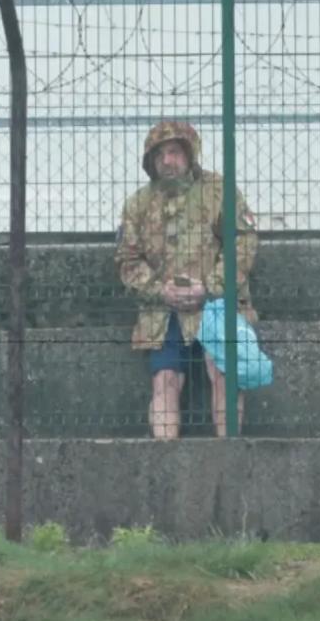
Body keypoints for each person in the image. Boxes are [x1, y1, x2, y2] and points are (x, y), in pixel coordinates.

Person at [115, 121, 259, 440]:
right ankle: (166, 460)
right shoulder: (138, 204)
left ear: (189, 154)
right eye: (160, 155)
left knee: (223, 371)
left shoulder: (219, 191)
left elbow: (243, 243)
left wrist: (210, 287)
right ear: (150, 161)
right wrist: (159, 290)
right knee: (165, 379)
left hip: (217, 305)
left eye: (175, 152)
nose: (167, 161)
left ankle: (229, 453)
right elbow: (127, 260)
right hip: (163, 313)